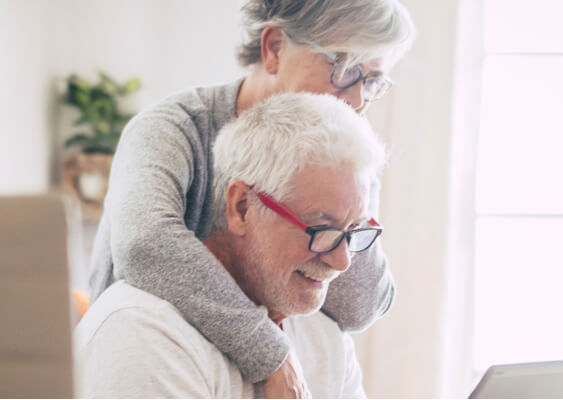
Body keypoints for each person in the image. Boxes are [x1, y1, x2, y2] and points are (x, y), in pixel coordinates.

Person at [86, 0, 414, 396]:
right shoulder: (173, 129)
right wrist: (271, 353)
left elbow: (360, 304)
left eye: (373, 80)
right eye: (345, 69)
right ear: (274, 47)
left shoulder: (344, 148)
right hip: (147, 365)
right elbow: (144, 245)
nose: (358, 100)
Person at [77, 92, 383, 398]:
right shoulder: (144, 333)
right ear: (241, 208)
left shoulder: (324, 335)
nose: (342, 261)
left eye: (354, 229)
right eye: (322, 227)